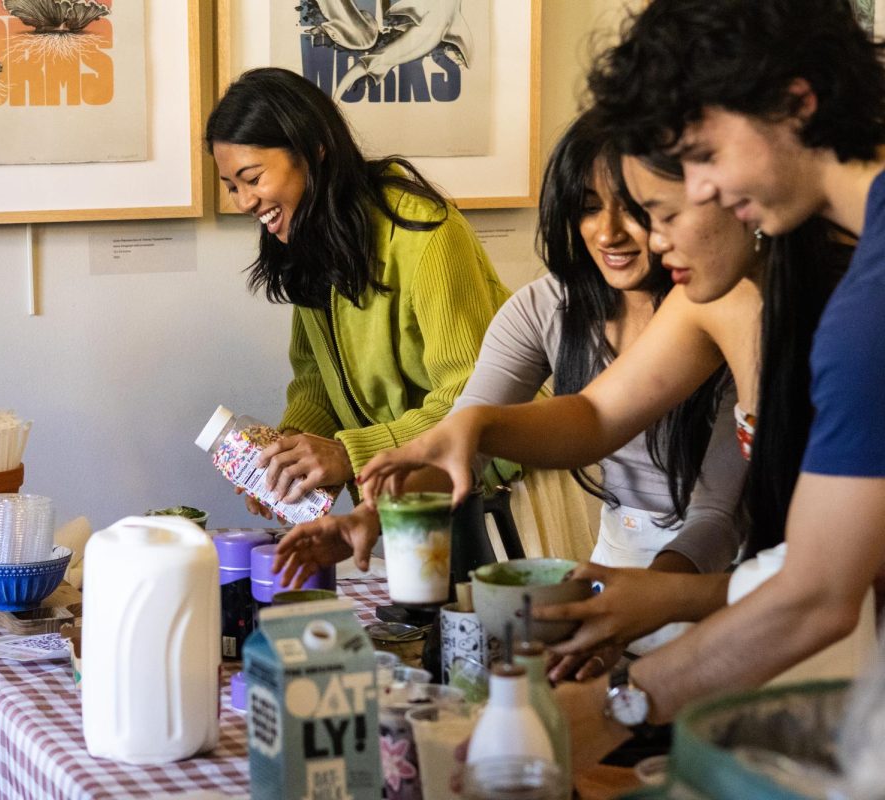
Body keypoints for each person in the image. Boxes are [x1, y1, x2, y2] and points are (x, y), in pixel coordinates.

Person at [368, 0, 883, 767]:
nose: (696, 193)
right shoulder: (786, 269)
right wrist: (475, 426)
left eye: (698, 159)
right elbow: (597, 414)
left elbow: (817, 592)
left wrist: (620, 701)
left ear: (796, 104)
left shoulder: (862, 311)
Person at [274, 111, 749, 671]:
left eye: (637, 207)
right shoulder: (546, 309)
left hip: (718, 577)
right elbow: (508, 438)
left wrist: (643, 603)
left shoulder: (721, 305)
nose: (608, 232)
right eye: (587, 207)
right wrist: (375, 516)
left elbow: (716, 518)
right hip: (614, 567)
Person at [204, 67, 512, 519]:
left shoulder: (427, 233)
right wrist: (290, 451)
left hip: (503, 493)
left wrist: (350, 454)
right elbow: (317, 379)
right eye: (232, 186)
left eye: (252, 178)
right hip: (412, 495)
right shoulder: (309, 240)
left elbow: (474, 399)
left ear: (314, 150)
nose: (244, 202)